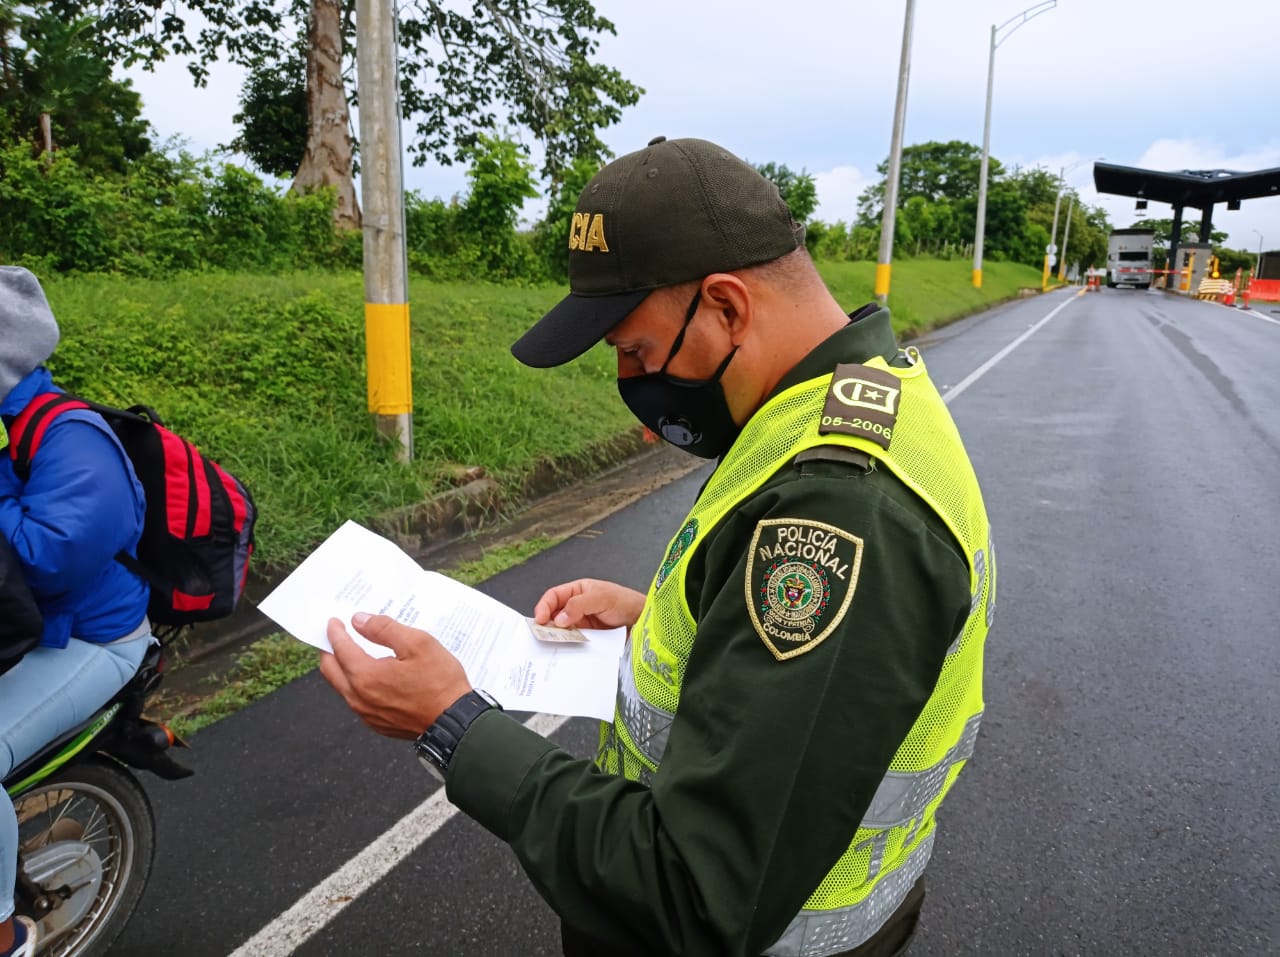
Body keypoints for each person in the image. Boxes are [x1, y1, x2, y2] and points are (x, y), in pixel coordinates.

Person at [320, 137, 996, 957]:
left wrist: (454, 728)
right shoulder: (836, 400)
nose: (642, 402)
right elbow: (817, 676)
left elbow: (699, 893)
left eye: (638, 353)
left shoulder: (842, 511)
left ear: (726, 306)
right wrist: (674, 619)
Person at [0, 267, 155, 957]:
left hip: (92, 638)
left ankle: (6, 933)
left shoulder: (70, 436)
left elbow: (50, 557)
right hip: (26, 626)